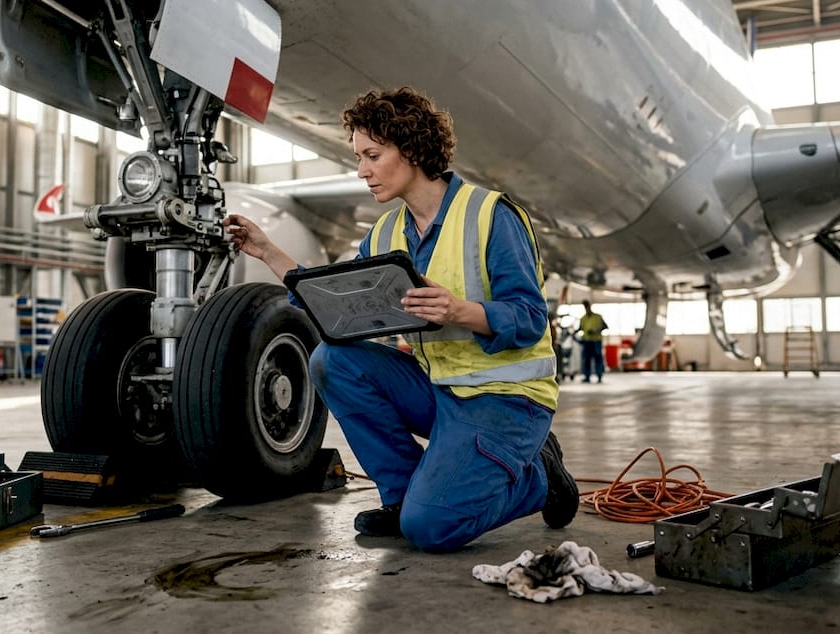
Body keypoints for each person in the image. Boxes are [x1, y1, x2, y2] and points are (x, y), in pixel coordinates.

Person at [222, 87, 580, 552]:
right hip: (441, 391)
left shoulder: (490, 215)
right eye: (359, 158)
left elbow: (530, 319)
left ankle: (540, 478)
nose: (362, 171)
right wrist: (269, 252)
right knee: (333, 360)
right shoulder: (385, 233)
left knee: (431, 529)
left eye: (372, 155)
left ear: (411, 149)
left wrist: (459, 311)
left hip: (506, 399)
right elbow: (337, 300)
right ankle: (401, 495)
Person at [577, 300, 608, 383]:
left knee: (598, 358)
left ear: (590, 306)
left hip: (596, 341)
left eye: (587, 306)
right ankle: (587, 376)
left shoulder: (598, 317)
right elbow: (580, 328)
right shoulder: (583, 319)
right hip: (586, 341)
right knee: (587, 359)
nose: (586, 308)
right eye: (585, 307)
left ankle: (599, 376)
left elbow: (605, 326)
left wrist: (596, 330)